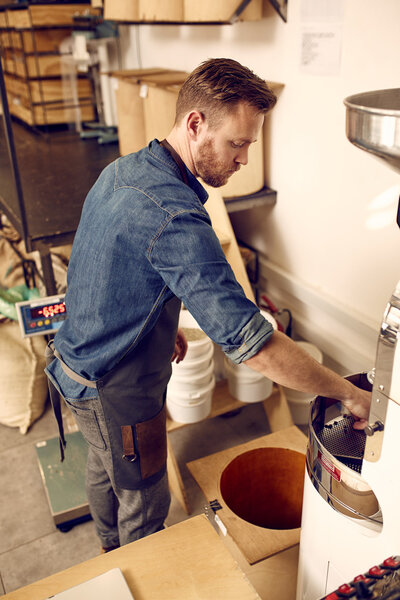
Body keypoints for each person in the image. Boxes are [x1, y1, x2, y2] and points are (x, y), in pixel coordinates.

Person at [45, 58, 371, 552]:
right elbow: (254, 347)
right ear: (195, 124)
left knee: (103, 465)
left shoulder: (126, 169)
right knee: (144, 503)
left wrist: (155, 320)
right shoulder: (174, 213)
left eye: (249, 145)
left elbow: (105, 267)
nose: (243, 160)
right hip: (115, 389)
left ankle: (107, 557)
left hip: (75, 367)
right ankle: (126, 565)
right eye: (236, 143)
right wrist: (347, 393)